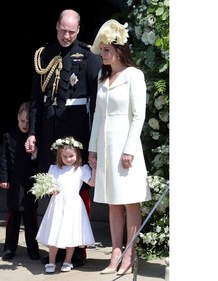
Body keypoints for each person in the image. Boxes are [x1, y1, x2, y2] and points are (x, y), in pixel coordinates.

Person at [25, 9, 102, 267]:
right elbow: (36, 98)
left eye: (71, 31)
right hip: (49, 127)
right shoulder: (43, 54)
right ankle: (55, 246)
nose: (66, 35)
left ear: (78, 30)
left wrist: (94, 139)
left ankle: (78, 248)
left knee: (77, 188)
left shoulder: (89, 56)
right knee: (51, 185)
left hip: (76, 127)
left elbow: (97, 99)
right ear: (56, 26)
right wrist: (33, 131)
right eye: (62, 30)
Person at [88, 19, 152, 275]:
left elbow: (138, 115)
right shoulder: (103, 79)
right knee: (113, 202)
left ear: (119, 50)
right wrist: (93, 149)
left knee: (129, 202)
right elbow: (99, 117)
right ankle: (115, 253)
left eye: (106, 50)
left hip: (126, 146)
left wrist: (129, 149)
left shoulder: (133, 76)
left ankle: (129, 254)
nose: (102, 54)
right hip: (106, 146)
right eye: (101, 49)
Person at [36, 136, 96, 273]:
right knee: (54, 232)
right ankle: (51, 261)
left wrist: (94, 169)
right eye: (65, 156)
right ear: (59, 156)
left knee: (71, 232)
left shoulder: (81, 170)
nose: (69, 159)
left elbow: (92, 183)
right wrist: (51, 189)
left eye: (71, 156)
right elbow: (49, 184)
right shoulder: (54, 169)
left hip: (73, 205)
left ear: (77, 155)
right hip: (57, 204)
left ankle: (67, 260)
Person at [0, 101, 40, 261]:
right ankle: (9, 248)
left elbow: (37, 162)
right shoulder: (9, 136)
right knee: (13, 219)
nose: (25, 124)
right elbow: (4, 160)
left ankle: (33, 249)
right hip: (14, 184)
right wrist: (3, 178)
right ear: (17, 117)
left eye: (28, 122)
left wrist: (35, 153)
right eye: (22, 121)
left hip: (29, 185)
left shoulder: (34, 139)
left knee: (30, 220)